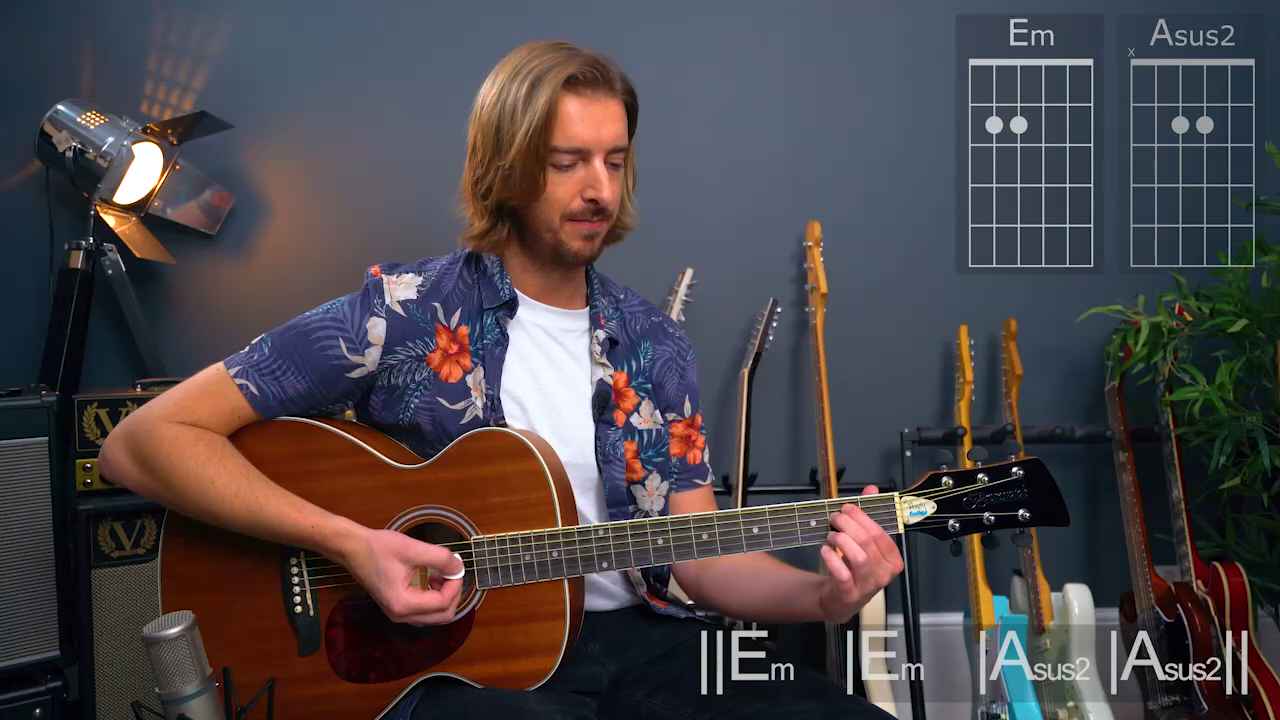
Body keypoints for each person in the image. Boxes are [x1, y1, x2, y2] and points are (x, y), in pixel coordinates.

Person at [99, 40, 903, 719]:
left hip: (642, 647)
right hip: (458, 659)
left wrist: (825, 599)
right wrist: (351, 545)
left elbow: (702, 557)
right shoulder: (402, 313)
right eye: (567, 163)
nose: (600, 190)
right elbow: (140, 445)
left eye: (615, 161)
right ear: (507, 167)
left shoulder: (654, 345)